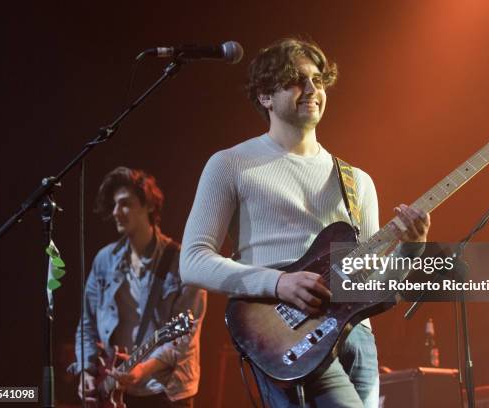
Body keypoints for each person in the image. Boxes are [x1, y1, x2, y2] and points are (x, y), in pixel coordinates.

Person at [180, 38, 430, 407]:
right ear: (265, 96)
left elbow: (374, 284)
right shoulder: (230, 164)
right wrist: (279, 282)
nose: (312, 89)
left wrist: (412, 248)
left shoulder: (356, 181)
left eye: (318, 80)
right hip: (286, 334)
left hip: (358, 338)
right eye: (296, 79)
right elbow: (193, 261)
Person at [69, 166, 206, 408]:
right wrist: (86, 372)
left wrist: (142, 369)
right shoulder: (104, 260)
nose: (115, 212)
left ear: (150, 206)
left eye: (125, 204)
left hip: (167, 390)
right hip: (113, 389)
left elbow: (185, 336)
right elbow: (87, 324)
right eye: (113, 205)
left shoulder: (182, 263)